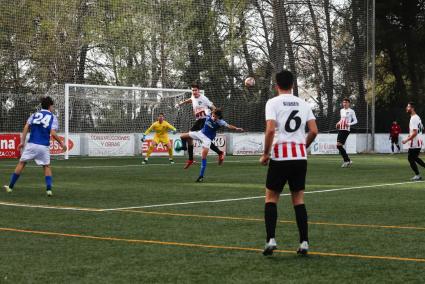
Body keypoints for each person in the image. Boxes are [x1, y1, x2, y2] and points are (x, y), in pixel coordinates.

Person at [260, 70, 318, 256]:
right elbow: (314, 131)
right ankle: (304, 242)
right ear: (292, 85)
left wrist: (265, 154)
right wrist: (302, 146)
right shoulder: (304, 103)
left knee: (271, 199)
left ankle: (271, 239)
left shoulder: (273, 102)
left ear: (276, 85)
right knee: (298, 200)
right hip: (300, 158)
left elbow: (270, 130)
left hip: (280, 157)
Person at [3, 96, 67, 196]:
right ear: (50, 106)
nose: (53, 108)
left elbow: (26, 127)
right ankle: (49, 190)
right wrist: (62, 143)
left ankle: (10, 187)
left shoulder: (34, 114)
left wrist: (22, 142)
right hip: (43, 146)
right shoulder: (53, 117)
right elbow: (53, 133)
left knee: (22, 163)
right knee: (46, 166)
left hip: (32, 144)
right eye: (52, 106)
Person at [179, 109, 243, 182]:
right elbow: (204, 109)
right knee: (182, 136)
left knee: (203, 157)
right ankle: (185, 150)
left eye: (215, 117)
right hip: (200, 133)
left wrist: (237, 128)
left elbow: (229, 126)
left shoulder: (221, 122)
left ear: (219, 117)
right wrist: (198, 111)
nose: (213, 118)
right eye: (213, 116)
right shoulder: (208, 113)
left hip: (207, 139)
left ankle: (201, 176)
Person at [175, 83, 225, 169]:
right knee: (189, 136)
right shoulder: (193, 96)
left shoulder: (204, 98)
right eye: (193, 90)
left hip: (205, 120)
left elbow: (213, 107)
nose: (194, 92)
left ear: (199, 91)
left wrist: (215, 117)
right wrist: (180, 104)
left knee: (204, 139)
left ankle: (220, 153)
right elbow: (190, 100)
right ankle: (190, 159)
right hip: (198, 121)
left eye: (195, 90)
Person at [402, 102, 425, 181]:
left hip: (415, 142)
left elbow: (415, 132)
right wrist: (411, 135)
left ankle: (417, 175)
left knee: (411, 158)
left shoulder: (413, 118)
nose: (406, 108)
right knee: (414, 158)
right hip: (418, 141)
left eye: (408, 107)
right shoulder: (417, 117)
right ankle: (417, 175)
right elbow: (421, 128)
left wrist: (406, 140)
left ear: (412, 108)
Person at [336, 98, 357, 167]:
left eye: (346, 102)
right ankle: (348, 160)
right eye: (343, 102)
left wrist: (349, 124)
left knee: (338, 145)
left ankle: (346, 161)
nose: (344, 104)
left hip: (346, 129)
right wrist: (338, 123)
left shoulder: (351, 111)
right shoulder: (341, 110)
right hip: (341, 128)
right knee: (338, 146)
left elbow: (355, 121)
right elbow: (341, 119)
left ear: (348, 103)